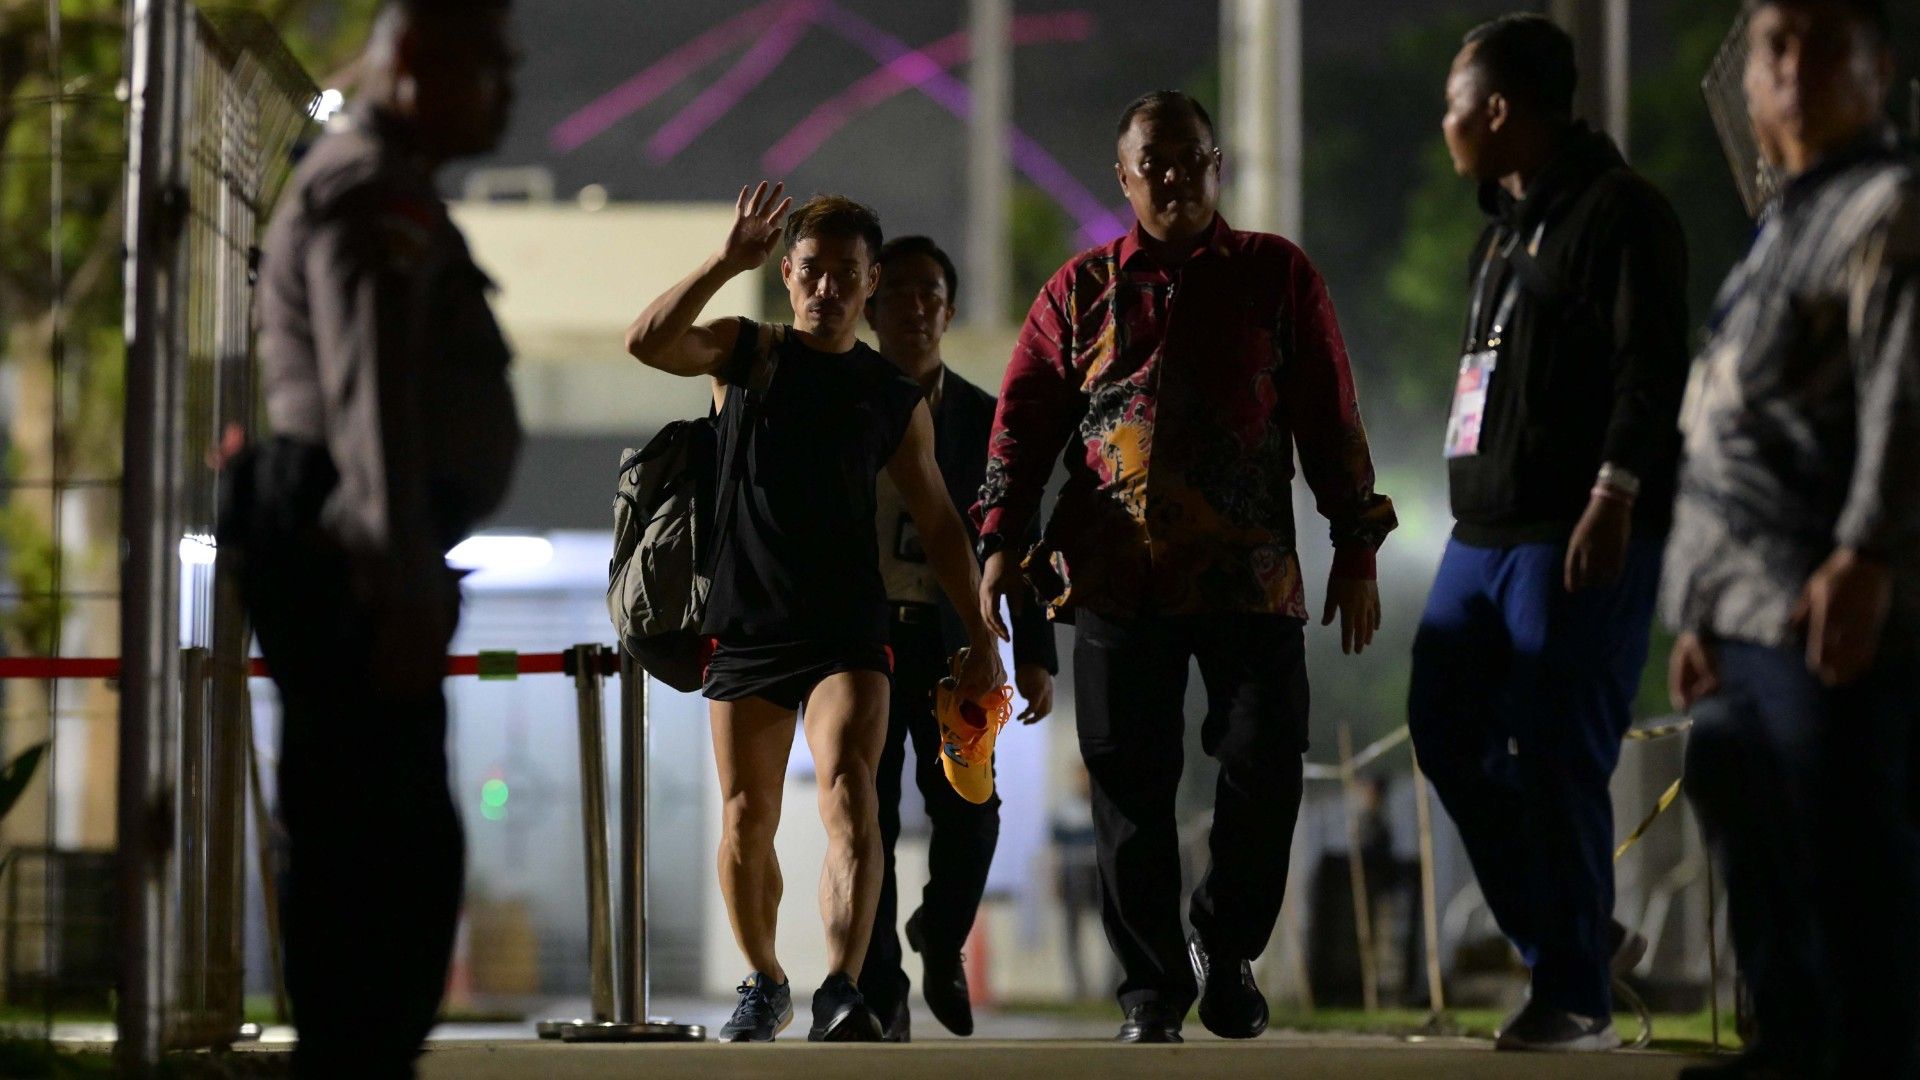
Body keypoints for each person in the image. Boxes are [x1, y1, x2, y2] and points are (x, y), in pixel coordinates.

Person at [975, 90, 1397, 1043]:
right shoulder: (1076, 293)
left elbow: (1332, 415)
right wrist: (1000, 536)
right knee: (1127, 786)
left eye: (1192, 157)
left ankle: (1226, 941)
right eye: (1153, 162)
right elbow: (1025, 420)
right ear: (1122, 178)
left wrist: (1356, 542)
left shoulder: (1275, 276)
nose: (1174, 176)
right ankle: (1152, 993)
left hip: (1249, 577)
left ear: (1220, 166)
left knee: (1265, 758)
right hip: (1116, 578)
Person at [624, 188, 1005, 1043]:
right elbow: (647, 342)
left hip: (847, 631)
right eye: (810, 271)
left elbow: (943, 521)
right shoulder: (744, 352)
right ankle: (764, 980)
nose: (826, 288)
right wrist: (727, 261)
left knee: (849, 793)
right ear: (787, 276)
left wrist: (981, 632)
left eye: (845, 274)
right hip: (748, 622)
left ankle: (841, 985)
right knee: (745, 817)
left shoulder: (889, 394)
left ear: (869, 284)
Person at [239, 2, 522, 1076]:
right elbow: (372, 407)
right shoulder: (373, 191)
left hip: (360, 538)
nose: (506, 89)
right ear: (412, 62)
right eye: (487, 66)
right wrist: (401, 581)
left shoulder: (386, 184)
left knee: (382, 847)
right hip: (354, 545)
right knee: (383, 857)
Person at [1406, 12, 1691, 1053]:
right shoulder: (1498, 233)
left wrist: (1615, 494)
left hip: (1576, 527)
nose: (1442, 125)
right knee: (1443, 726)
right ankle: (1568, 929)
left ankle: (1573, 995)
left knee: (1561, 755)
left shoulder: (1622, 214)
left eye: (1453, 105)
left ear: (1498, 107)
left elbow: (1651, 368)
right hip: (1480, 536)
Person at [1663, 1, 1920, 1076]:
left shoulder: (1889, 206)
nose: (1795, 65)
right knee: (1755, 835)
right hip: (1740, 610)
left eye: (1824, 41)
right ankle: (1793, 1047)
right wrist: (1697, 612)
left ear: (1879, 69)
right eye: (1775, 45)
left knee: (1847, 859)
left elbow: (1904, 392)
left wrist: (1866, 554)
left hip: (1825, 595)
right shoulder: (1783, 224)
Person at [855, 236, 1059, 1041]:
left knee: (973, 815)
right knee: (862, 816)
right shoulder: (844, 405)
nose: (913, 307)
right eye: (897, 291)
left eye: (929, 293)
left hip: (956, 649)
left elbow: (1022, 531)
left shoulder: (983, 416)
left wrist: (1036, 654)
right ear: (870, 305)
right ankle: (881, 990)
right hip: (860, 645)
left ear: (949, 307)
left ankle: (939, 939)